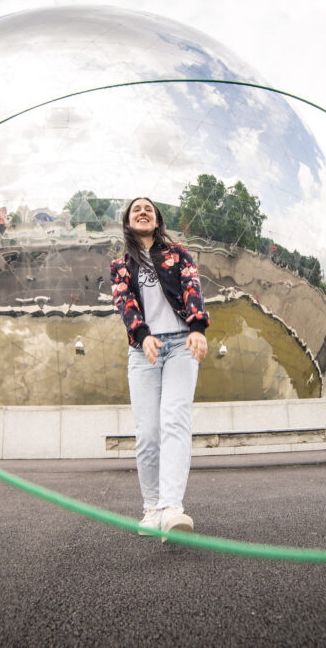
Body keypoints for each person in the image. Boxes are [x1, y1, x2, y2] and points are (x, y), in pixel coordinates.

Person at [110, 197, 209, 539]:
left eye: (148, 209)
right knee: (148, 432)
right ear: (128, 221)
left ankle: (172, 508)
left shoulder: (178, 253)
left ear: (157, 219)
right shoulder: (120, 264)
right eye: (136, 209)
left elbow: (192, 287)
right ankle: (151, 508)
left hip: (181, 344)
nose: (142, 212)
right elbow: (125, 302)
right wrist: (141, 335)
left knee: (175, 421)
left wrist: (197, 327)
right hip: (144, 351)